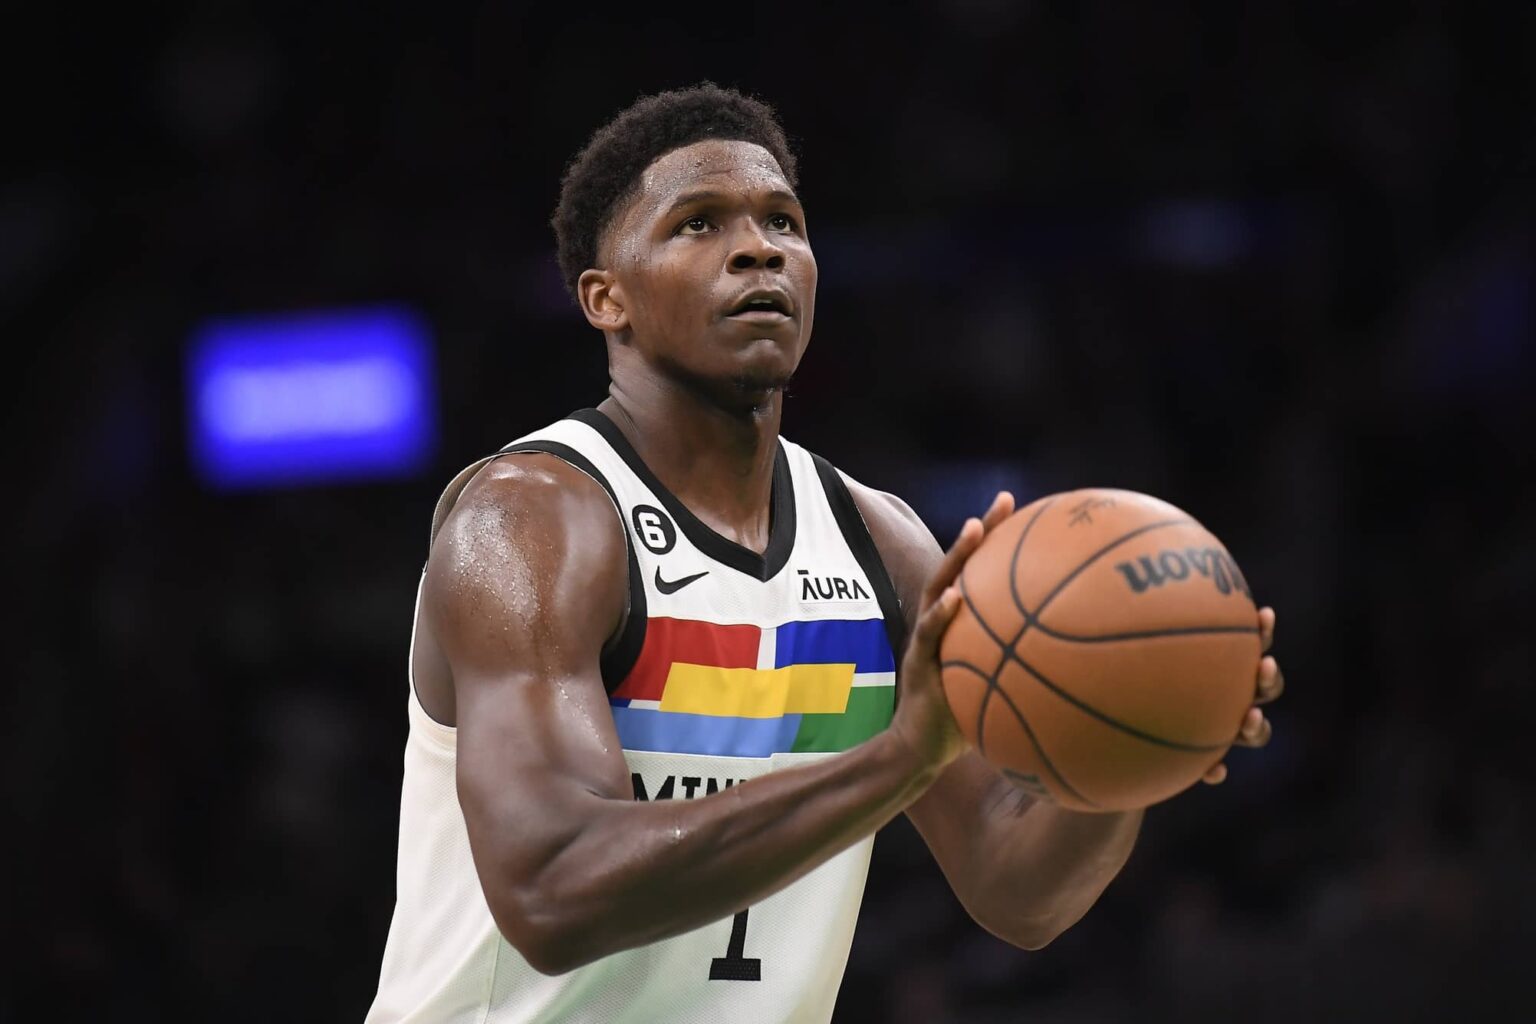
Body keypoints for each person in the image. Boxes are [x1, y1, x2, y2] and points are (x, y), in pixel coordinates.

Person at [366, 83, 1284, 1023]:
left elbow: (1016, 890)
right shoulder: (530, 523)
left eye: (783, 222)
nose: (758, 247)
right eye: (696, 224)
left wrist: (1132, 731)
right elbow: (552, 890)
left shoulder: (876, 540)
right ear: (609, 300)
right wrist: (899, 758)